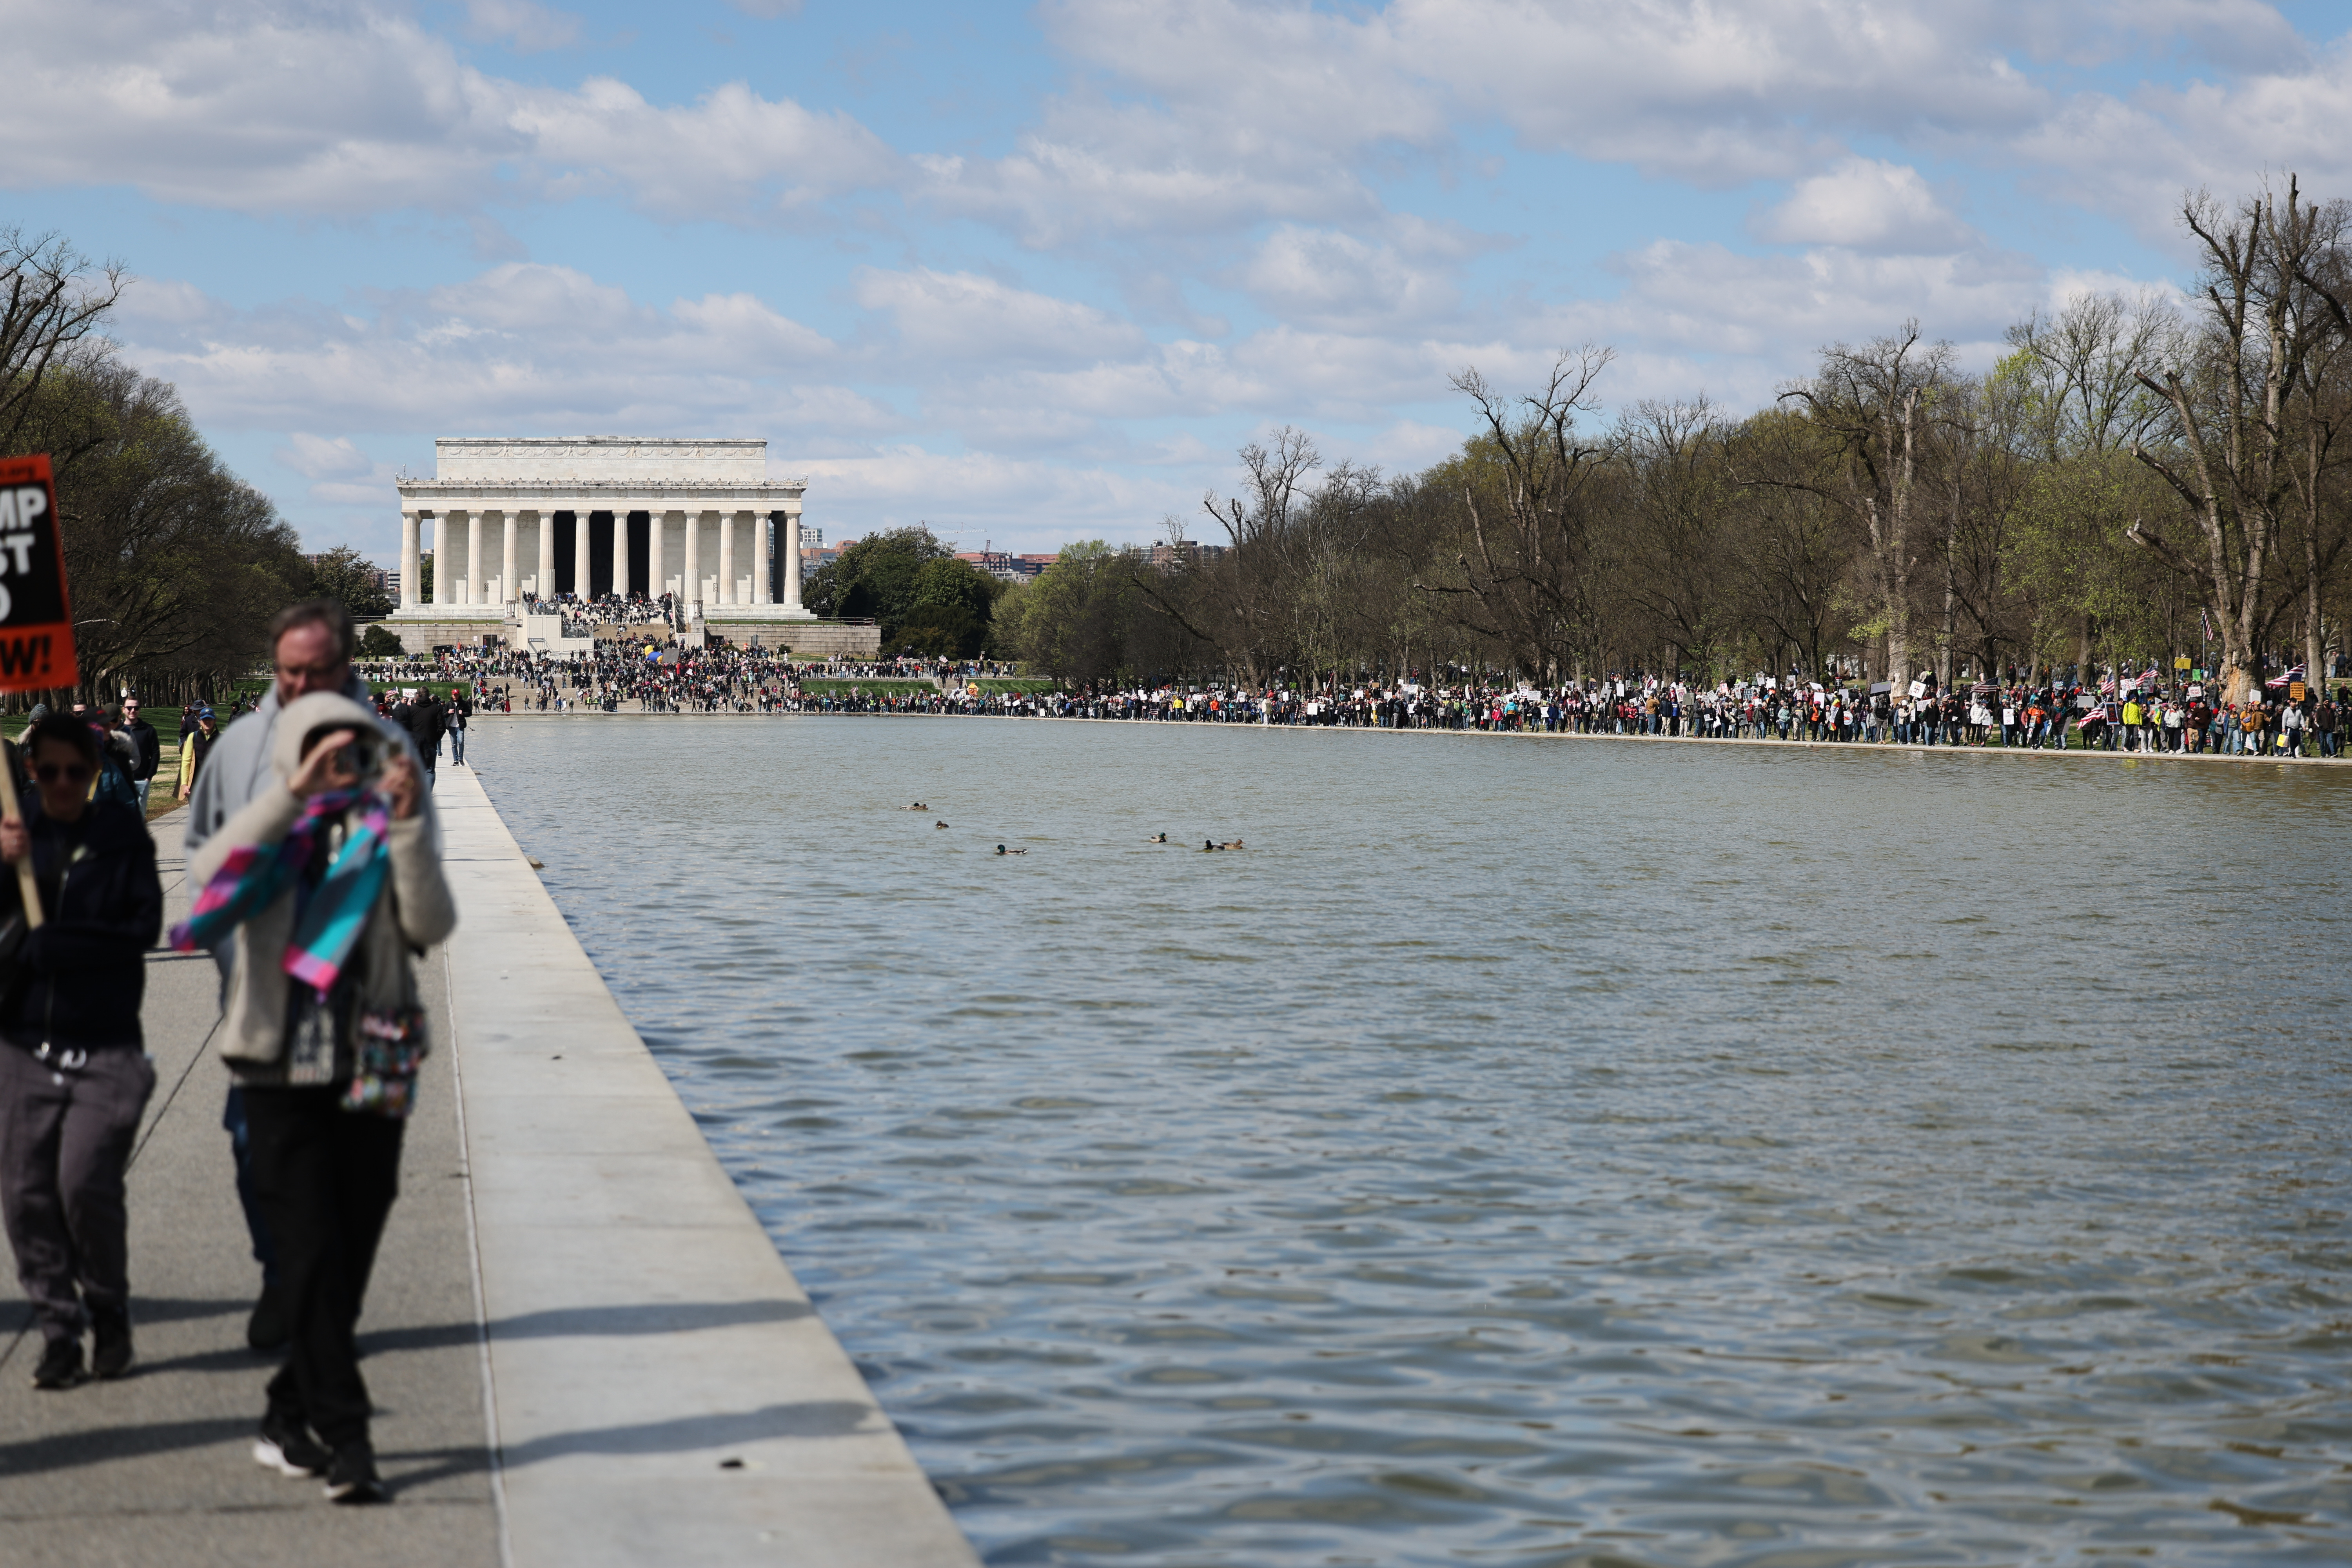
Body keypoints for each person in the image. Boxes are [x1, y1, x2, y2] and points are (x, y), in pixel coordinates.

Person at [179, 691, 452, 1502]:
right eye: (325, 754)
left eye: (357, 753)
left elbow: (429, 924)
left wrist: (403, 823)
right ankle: (350, 1438)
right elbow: (210, 879)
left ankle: (285, 1406)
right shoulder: (277, 822)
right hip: (281, 1056)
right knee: (307, 1242)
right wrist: (292, 794)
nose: (345, 768)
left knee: (356, 1243)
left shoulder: (382, 830)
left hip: (377, 1052)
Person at [185, 602, 439, 1354]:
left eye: (319, 671)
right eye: (290, 671)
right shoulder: (237, 750)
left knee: (367, 1194)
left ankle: (313, 1315)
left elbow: (424, 902)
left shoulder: (392, 750)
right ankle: (291, 1295)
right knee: (259, 1157)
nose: (302, 684)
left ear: (345, 669)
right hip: (269, 1006)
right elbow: (206, 871)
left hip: (375, 1015)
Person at [0, 714, 164, 1388]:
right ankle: (60, 1328)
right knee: (27, 1196)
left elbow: (143, 927)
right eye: (49, 772)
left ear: (94, 773)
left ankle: (107, 1305)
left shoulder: (120, 835)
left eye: (78, 771)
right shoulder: (15, 836)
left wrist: (66, 947)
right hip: (24, 1040)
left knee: (85, 1184)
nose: (63, 784)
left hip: (104, 1042)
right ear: (32, 773)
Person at [119, 699, 161, 813]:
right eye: (129, 708)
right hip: (121, 780)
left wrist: (149, 776)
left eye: (136, 708)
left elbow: (155, 753)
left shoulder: (148, 730)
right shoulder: (118, 730)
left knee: (139, 817)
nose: (133, 711)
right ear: (123, 710)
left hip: (142, 780)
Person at [176, 707, 221, 801]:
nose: (207, 722)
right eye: (204, 719)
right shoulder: (193, 737)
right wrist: (184, 784)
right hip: (196, 785)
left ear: (215, 721)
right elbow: (186, 762)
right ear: (200, 721)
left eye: (210, 719)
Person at [446, 685, 470, 765]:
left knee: (461, 742)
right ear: (452, 695)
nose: (455, 696)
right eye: (454, 695)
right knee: (454, 744)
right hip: (452, 727)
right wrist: (448, 713)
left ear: (459, 695)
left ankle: (461, 759)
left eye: (457, 695)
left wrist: (463, 713)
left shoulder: (463, 704)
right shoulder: (449, 704)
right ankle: (456, 760)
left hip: (460, 726)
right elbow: (443, 714)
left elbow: (470, 713)